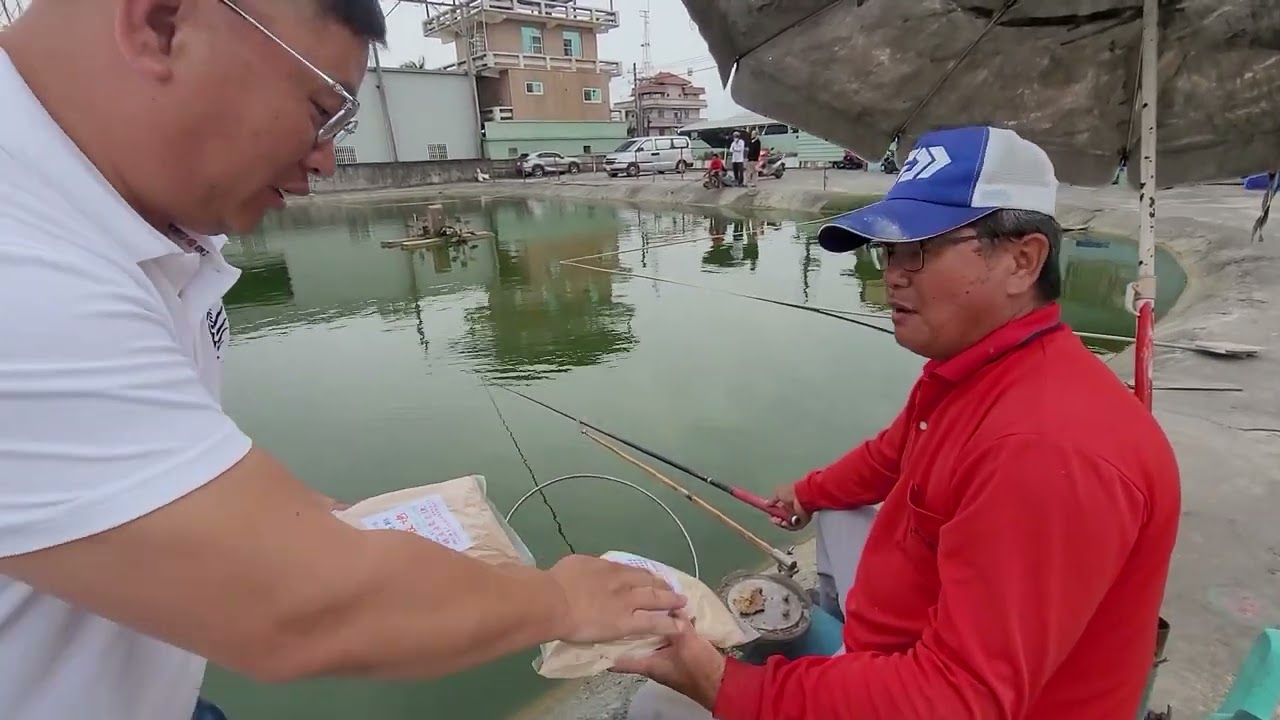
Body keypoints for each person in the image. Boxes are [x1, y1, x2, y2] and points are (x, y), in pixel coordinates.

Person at [0, 3, 687, 720]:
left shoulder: (134, 221)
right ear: (162, 24)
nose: (325, 159)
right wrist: (559, 600)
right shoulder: (23, 272)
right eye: (319, 109)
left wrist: (307, 522)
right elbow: (290, 605)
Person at [618, 125, 1181, 719]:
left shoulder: (1045, 448)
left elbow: (955, 700)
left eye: (918, 249)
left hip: (949, 694)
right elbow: (890, 457)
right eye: (887, 252)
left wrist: (721, 683)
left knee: (659, 710)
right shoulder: (973, 371)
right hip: (899, 653)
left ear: (1023, 260)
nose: (892, 274)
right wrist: (807, 493)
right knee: (842, 506)